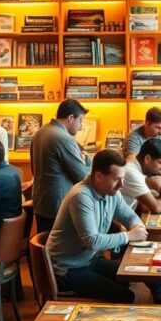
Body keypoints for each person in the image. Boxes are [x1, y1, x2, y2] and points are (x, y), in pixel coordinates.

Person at [46, 149, 161, 304]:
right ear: (98, 176)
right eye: (117, 179)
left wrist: (137, 226)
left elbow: (129, 216)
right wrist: (129, 235)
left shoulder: (111, 191)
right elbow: (92, 241)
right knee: (125, 295)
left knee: (137, 270)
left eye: (122, 178)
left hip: (89, 260)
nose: (121, 184)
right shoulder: (81, 197)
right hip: (66, 270)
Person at [30, 99, 92, 233]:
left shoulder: (39, 132)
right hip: (58, 205)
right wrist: (87, 161)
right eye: (80, 121)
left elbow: (34, 170)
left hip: (41, 201)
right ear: (70, 118)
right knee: (59, 244)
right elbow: (83, 176)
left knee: (43, 241)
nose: (80, 126)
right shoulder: (64, 138)